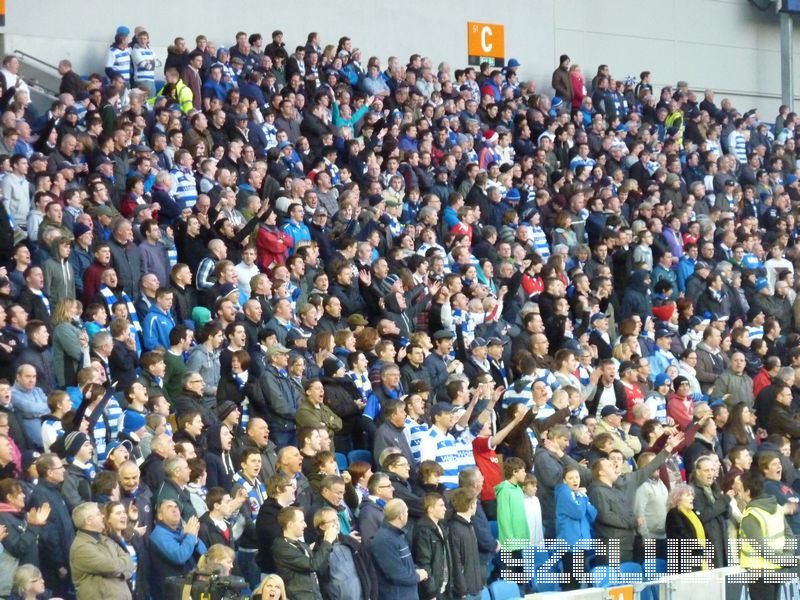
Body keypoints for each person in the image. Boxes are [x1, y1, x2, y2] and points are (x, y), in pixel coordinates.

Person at [69, 501, 134, 600]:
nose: (103, 516)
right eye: (98, 514)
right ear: (89, 521)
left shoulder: (106, 539)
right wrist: (122, 569)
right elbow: (112, 567)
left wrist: (121, 570)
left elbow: (128, 558)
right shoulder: (81, 547)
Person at [272, 505, 336, 600]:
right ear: (290, 524)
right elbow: (312, 565)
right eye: (301, 521)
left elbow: (319, 567)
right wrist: (327, 541)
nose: (305, 525)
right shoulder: (282, 548)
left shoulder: (301, 544)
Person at [371, 499, 428, 599]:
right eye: (406, 512)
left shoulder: (398, 535)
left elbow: (406, 563)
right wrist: (418, 576)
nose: (407, 515)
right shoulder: (384, 540)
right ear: (401, 516)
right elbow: (395, 574)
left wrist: (417, 569)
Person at [555, 466, 597, 591]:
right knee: (572, 583)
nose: (575, 480)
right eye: (571, 478)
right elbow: (578, 512)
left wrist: (582, 497)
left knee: (578, 581)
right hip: (570, 544)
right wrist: (582, 497)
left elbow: (593, 514)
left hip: (581, 543)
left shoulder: (578, 495)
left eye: (577, 477)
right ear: (564, 480)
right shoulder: (564, 493)